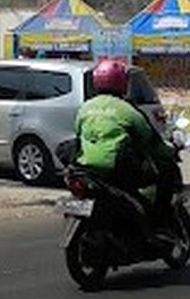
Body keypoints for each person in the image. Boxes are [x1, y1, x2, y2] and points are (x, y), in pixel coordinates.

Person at [76, 57, 181, 239]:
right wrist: (171, 150)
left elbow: (78, 134)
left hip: (87, 168)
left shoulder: (85, 108)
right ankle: (159, 224)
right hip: (117, 169)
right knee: (165, 173)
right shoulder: (128, 111)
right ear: (122, 82)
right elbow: (151, 142)